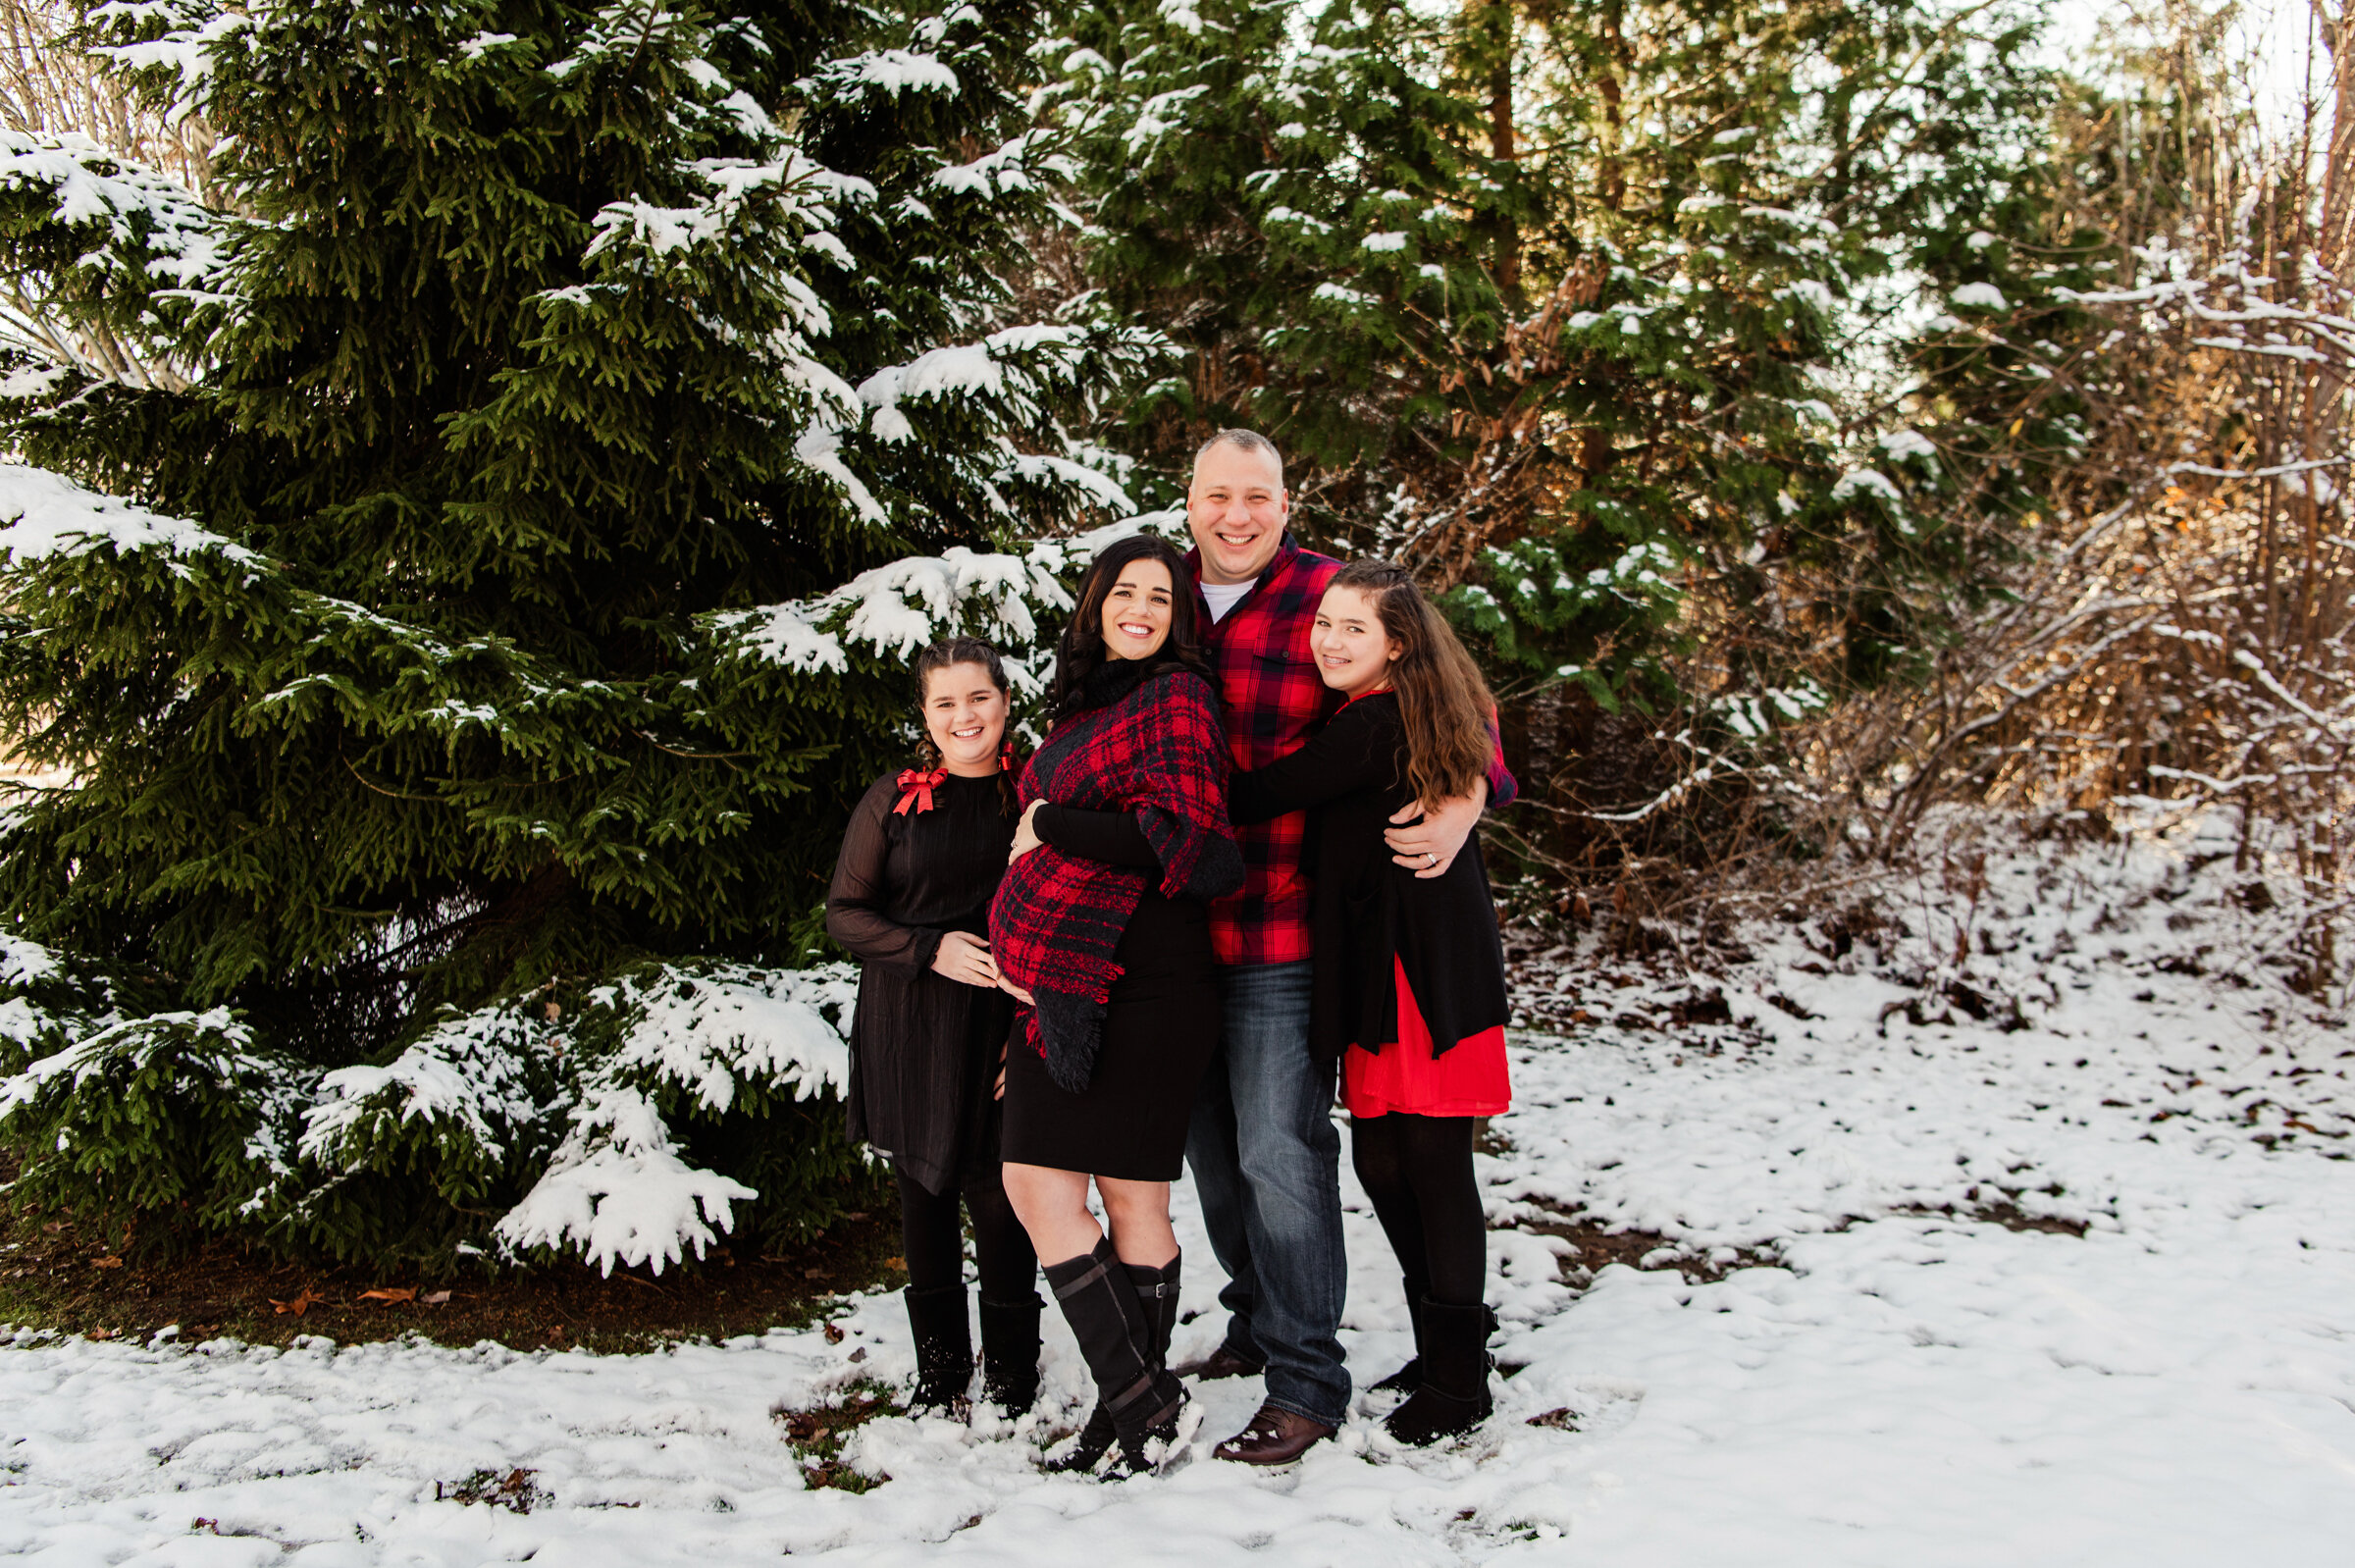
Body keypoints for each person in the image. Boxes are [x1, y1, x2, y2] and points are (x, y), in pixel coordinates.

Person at [1178, 429, 1517, 1465]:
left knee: (1289, 1154)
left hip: (1304, 935)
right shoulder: (1150, 597)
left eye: (1259, 496)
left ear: (1287, 503)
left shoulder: (1337, 597)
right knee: (1226, 1165)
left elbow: (1470, 720)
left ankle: (1326, 1372)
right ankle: (1269, 1320)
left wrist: (1465, 800)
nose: (1237, 514)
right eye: (1217, 494)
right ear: (1189, 499)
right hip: (1189, 939)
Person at [988, 534, 1243, 1477]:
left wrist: (1050, 823)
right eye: (1123, 592)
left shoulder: (1177, 700)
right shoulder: (1084, 707)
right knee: (1039, 1186)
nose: (1140, 608)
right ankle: (1141, 1403)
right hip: (1074, 989)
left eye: (1162, 599)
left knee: (1134, 1196)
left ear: (1181, 620)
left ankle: (1129, 1412)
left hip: (1151, 985)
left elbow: (1198, 850)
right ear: (1095, 603)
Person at [826, 638, 1041, 1420]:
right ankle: (942, 1376)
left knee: (1000, 1201)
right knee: (923, 1198)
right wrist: (930, 948)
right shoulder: (894, 799)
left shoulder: (1034, 798)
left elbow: (1073, 918)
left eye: (978, 698)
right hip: (909, 1020)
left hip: (1000, 1030)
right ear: (925, 714)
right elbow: (845, 915)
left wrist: (1036, 1036)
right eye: (945, 702)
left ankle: (1015, 1381)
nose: (964, 716)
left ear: (1005, 702)